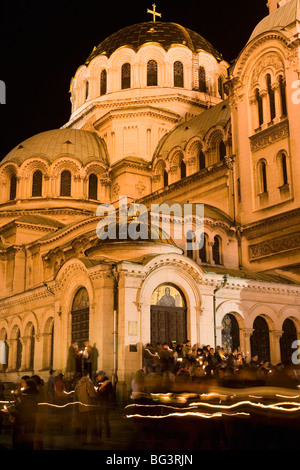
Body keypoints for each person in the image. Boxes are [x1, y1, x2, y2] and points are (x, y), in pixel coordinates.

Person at [9, 378, 39, 450]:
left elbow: (21, 407)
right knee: (29, 442)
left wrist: (12, 409)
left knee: (22, 443)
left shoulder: (26, 395)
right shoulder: (34, 394)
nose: (22, 385)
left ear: (28, 386)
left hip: (23, 422)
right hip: (30, 421)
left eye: (24, 383)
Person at [74, 369, 98, 445]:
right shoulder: (89, 383)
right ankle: (94, 441)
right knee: (93, 425)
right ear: (88, 375)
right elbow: (92, 394)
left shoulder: (78, 385)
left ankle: (83, 441)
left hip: (81, 408)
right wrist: (96, 393)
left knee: (84, 426)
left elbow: (75, 397)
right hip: (90, 407)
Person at [95, 371, 113, 439]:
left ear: (103, 375)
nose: (98, 376)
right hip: (99, 401)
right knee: (99, 419)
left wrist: (105, 390)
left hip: (105, 401)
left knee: (106, 418)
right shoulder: (97, 381)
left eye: (99, 375)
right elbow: (96, 390)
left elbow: (111, 391)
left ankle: (108, 433)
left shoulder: (108, 382)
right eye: (98, 375)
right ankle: (99, 434)